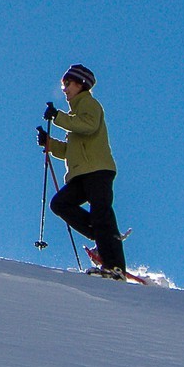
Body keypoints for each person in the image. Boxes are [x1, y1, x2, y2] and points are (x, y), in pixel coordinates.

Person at [37, 63, 126, 278]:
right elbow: (71, 151)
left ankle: (114, 266)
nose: (64, 89)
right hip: (80, 173)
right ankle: (105, 240)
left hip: (98, 170)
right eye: (63, 85)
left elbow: (88, 126)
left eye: (68, 84)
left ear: (81, 84)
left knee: (101, 213)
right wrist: (49, 143)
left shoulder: (90, 105)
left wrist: (58, 118)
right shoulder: (74, 115)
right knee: (60, 204)